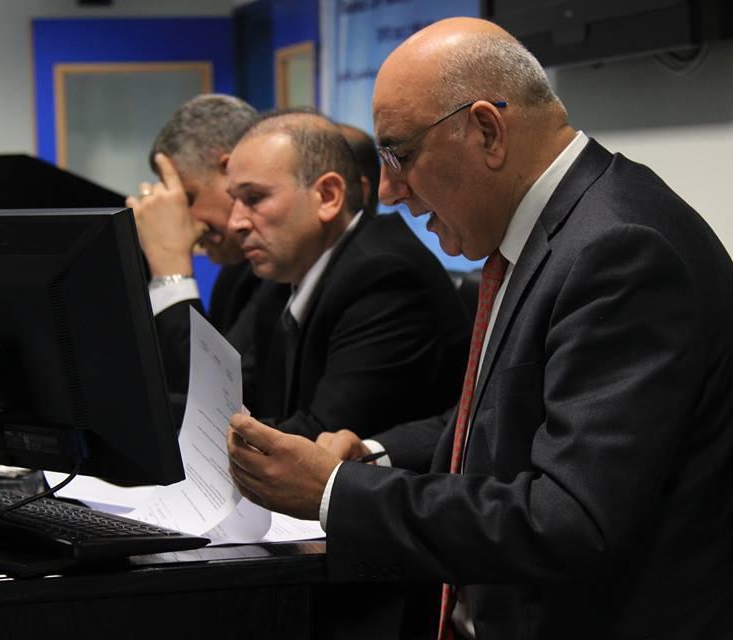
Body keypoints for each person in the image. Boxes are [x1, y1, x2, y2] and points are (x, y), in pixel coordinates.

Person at [226, 17, 733, 640]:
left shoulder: (621, 249)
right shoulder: (558, 231)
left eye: (400, 155)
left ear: (487, 131)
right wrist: (373, 455)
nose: (389, 192)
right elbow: (493, 416)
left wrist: (335, 492)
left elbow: (569, 518)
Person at [225, 111, 469, 439]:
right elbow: (240, 391)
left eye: (254, 198)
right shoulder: (286, 271)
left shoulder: (385, 277)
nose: (235, 223)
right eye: (234, 202)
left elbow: (323, 442)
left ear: (328, 196)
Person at [125, 94, 262, 398]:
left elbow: (213, 401)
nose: (183, 222)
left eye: (187, 198)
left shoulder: (277, 272)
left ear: (231, 170)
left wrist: (170, 269)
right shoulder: (234, 275)